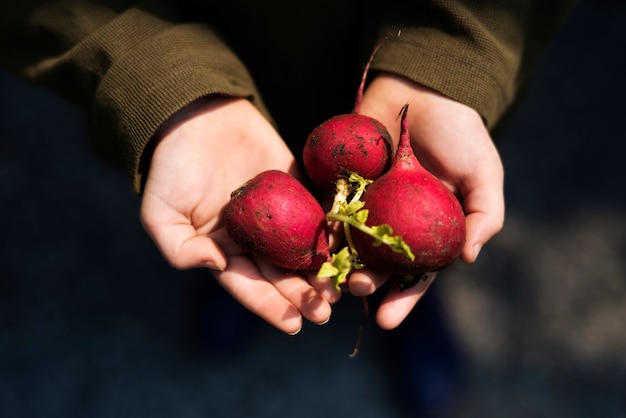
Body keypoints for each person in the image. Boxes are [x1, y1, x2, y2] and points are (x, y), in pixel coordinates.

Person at [0, 0, 576, 336]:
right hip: (226, 50)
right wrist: (165, 86)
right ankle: (230, 297)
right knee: (240, 259)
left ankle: (409, 318)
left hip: (401, 63)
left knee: (399, 276)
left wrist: (450, 61)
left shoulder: (401, 151)